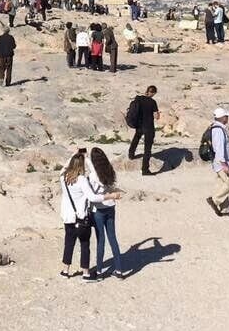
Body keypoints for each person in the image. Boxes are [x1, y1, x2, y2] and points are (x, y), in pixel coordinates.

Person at [82, 148, 124, 278]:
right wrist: (87, 158)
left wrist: (85, 158)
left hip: (98, 209)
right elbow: (94, 168)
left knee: (101, 240)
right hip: (110, 207)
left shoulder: (94, 176)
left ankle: (99, 271)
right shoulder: (109, 171)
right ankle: (119, 270)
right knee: (113, 238)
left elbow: (93, 172)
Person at [58, 151, 93, 280]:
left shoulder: (63, 178)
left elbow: (63, 169)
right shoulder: (82, 180)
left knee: (68, 243)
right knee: (84, 244)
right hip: (81, 217)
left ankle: (65, 270)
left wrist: (74, 154)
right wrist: (87, 158)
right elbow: (92, 196)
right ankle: (85, 273)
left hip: (68, 217)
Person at [206, 108, 229, 216]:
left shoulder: (219, 128)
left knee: (222, 184)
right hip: (221, 162)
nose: (228, 118)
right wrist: (224, 164)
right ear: (223, 118)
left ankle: (225, 209)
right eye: (227, 116)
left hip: (222, 161)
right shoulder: (218, 130)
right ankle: (214, 200)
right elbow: (218, 148)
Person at [127, 86, 159, 175]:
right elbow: (156, 116)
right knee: (147, 149)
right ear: (153, 93)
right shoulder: (152, 102)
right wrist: (156, 115)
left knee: (136, 138)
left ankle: (131, 154)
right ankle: (145, 170)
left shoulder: (139, 99)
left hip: (139, 125)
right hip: (148, 126)